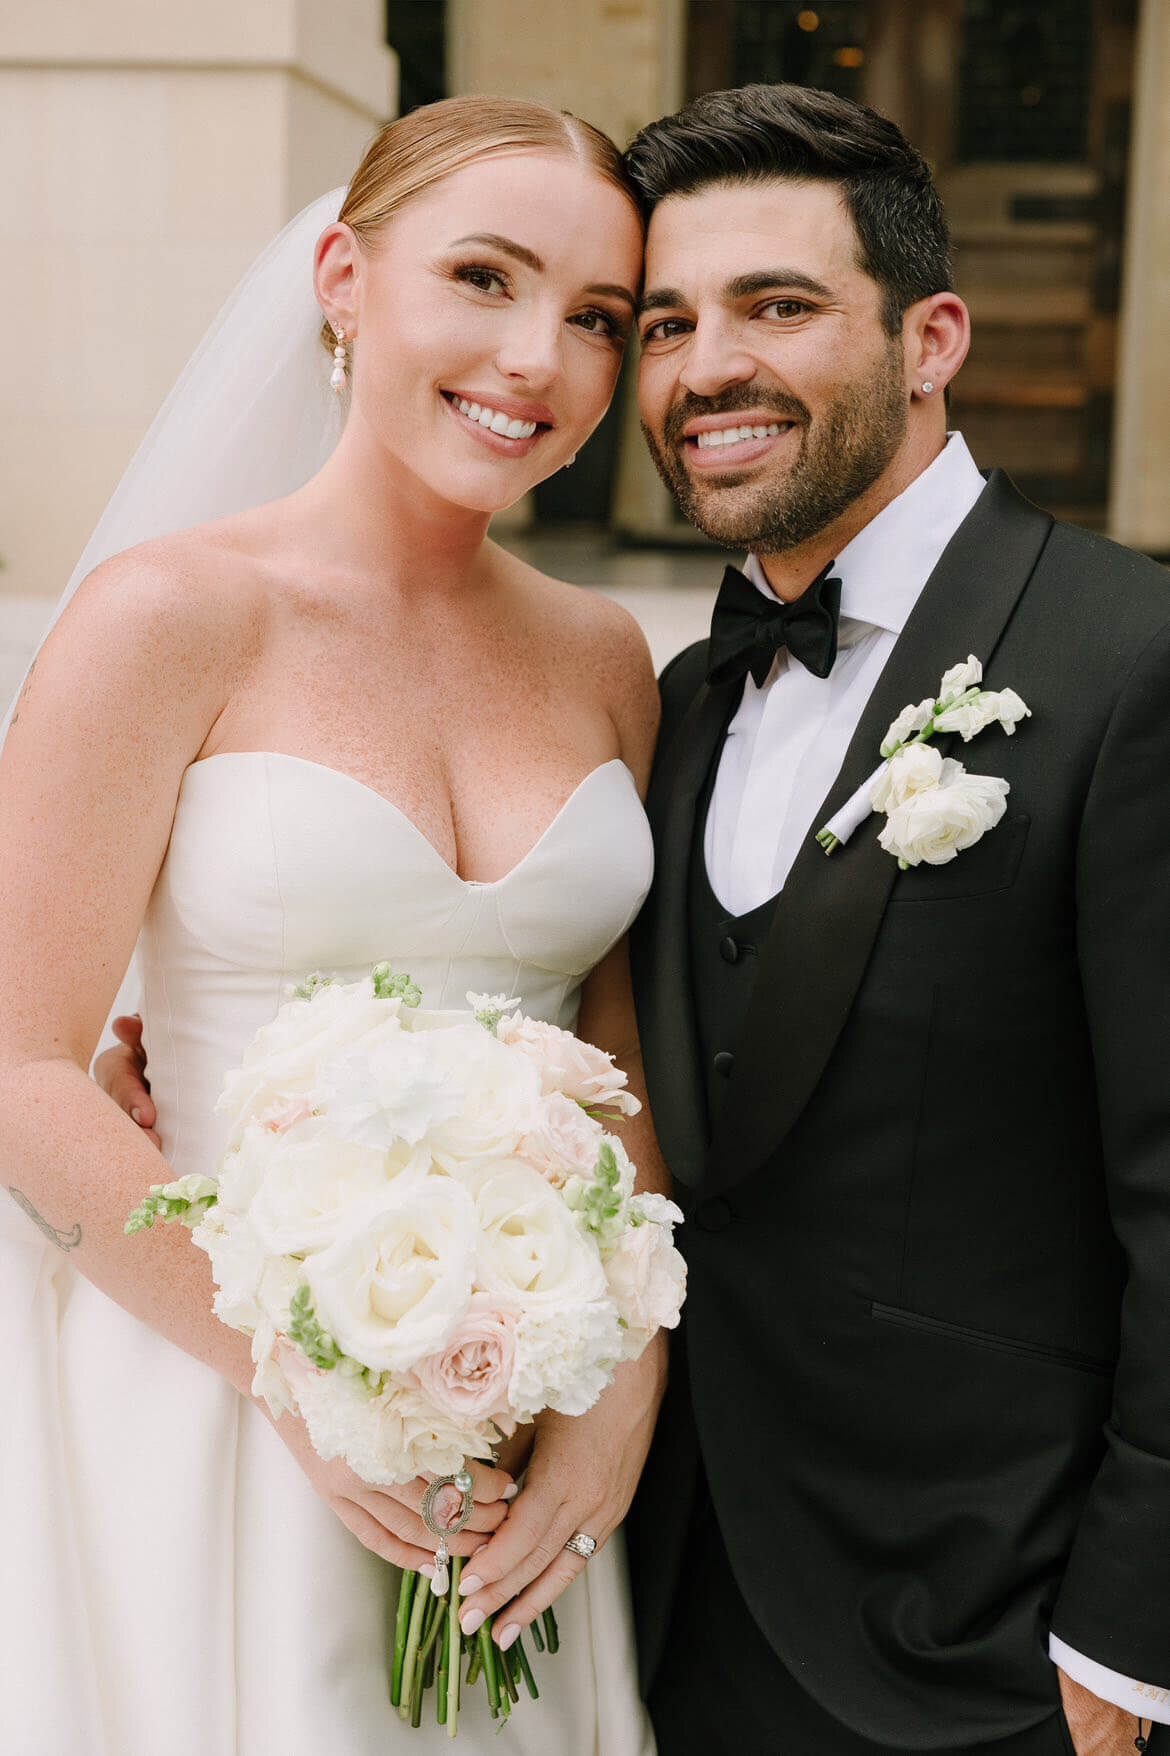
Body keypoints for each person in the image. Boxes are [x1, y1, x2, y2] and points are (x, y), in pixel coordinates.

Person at [0, 95, 665, 1756]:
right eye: (484, 278)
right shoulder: (171, 614)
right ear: (342, 278)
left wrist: (616, 1400)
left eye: (594, 318)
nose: (538, 361)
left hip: (518, 1414)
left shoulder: (602, 658)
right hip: (216, 1395)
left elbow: (615, 1065)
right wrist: (321, 1394)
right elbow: (20, 1067)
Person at [614, 83, 1170, 1756]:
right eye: (664, 321)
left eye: (777, 307)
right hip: (668, 1600)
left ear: (931, 339)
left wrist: (1130, 1646)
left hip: (1002, 1643)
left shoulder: (1130, 659)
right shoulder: (684, 696)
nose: (707, 366)